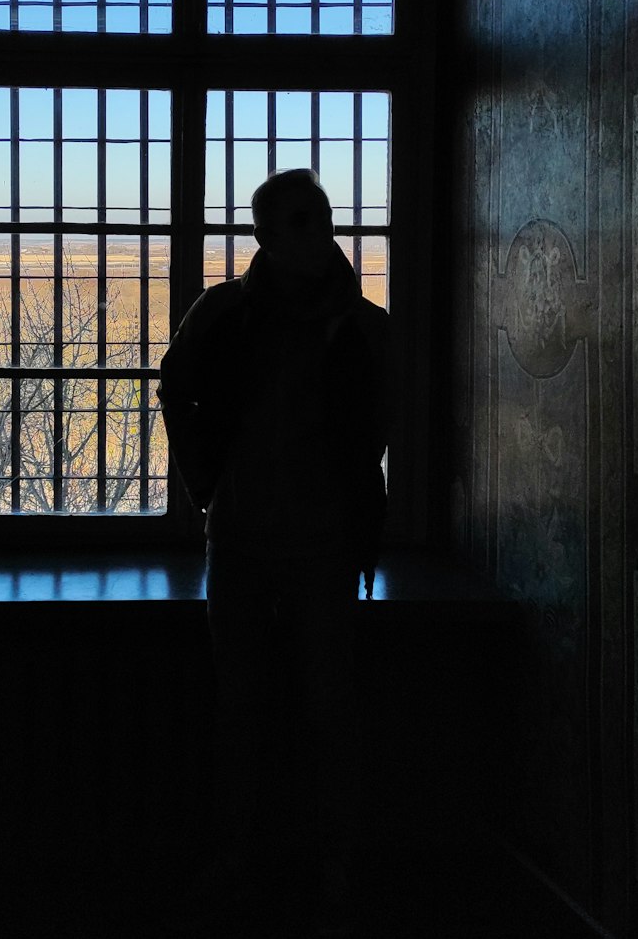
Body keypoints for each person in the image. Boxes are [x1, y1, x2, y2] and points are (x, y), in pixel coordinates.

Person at [158, 169, 392, 935]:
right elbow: (175, 387)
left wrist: (206, 481)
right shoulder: (347, 324)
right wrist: (206, 485)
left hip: (303, 544)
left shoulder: (340, 325)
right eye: (297, 219)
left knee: (315, 709)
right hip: (256, 541)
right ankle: (281, 860)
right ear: (262, 233)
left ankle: (306, 860)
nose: (313, 229)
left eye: (318, 215)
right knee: (253, 708)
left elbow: (175, 387)